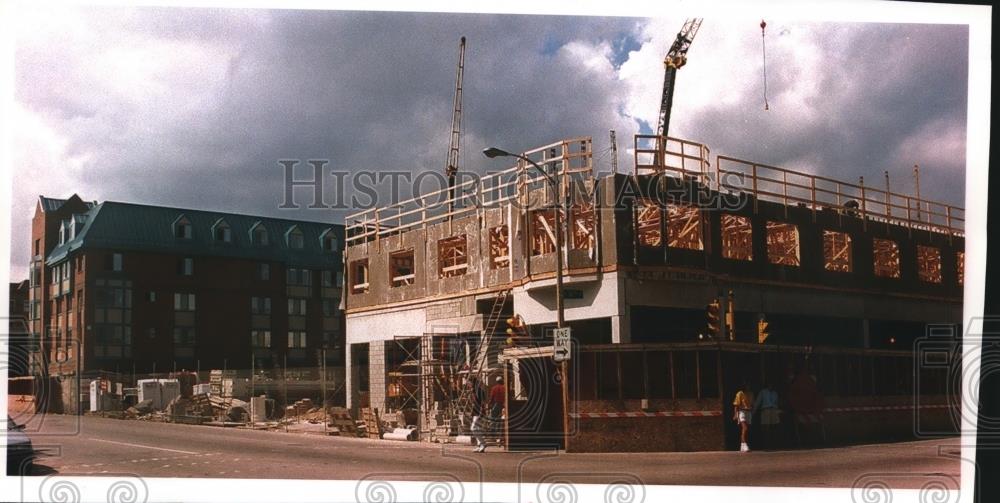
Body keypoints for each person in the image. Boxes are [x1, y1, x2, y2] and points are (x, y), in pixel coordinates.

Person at [478, 375, 506, 452]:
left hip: (496, 405)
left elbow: (492, 397)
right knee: (501, 420)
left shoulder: (494, 388)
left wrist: (489, 404)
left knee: (493, 419)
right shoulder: (504, 388)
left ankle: (493, 433)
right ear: (502, 381)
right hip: (503, 405)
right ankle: (499, 435)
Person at [753, 381, 779, 449]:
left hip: (773, 410)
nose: (771, 385)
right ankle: (767, 445)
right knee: (766, 427)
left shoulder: (775, 393)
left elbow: (776, 403)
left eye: (772, 384)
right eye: (769, 384)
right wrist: (754, 411)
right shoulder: (763, 392)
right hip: (766, 410)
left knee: (774, 427)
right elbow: (758, 402)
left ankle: (774, 444)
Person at [732, 381, 754, 452]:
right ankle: (744, 444)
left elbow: (752, 403)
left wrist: (752, 410)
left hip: (749, 412)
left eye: (749, 385)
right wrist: (735, 414)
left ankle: (742, 445)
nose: (748, 387)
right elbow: (736, 405)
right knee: (745, 428)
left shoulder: (751, 393)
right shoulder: (740, 393)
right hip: (742, 411)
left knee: (747, 430)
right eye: (747, 385)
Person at [469, 376, 488, 452]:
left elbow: (483, 402)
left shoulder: (479, 391)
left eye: (469, 382)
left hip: (479, 412)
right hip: (475, 411)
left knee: (473, 428)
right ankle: (480, 445)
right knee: (478, 429)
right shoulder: (473, 391)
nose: (468, 384)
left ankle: (483, 443)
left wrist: (481, 412)